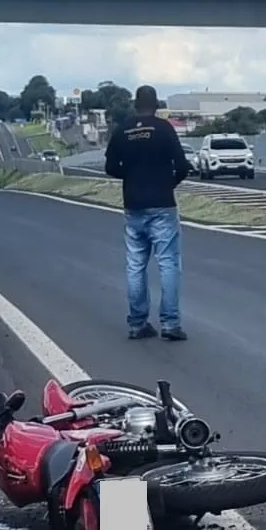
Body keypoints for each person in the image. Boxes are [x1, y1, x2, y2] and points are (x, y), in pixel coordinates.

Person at [104, 85, 193, 341]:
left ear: (135, 104)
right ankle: (170, 324)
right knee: (168, 264)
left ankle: (137, 323)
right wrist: (168, 182)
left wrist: (131, 176)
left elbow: (110, 167)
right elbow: (183, 165)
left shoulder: (122, 130)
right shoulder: (164, 129)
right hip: (163, 204)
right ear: (156, 105)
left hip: (133, 204)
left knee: (135, 266)